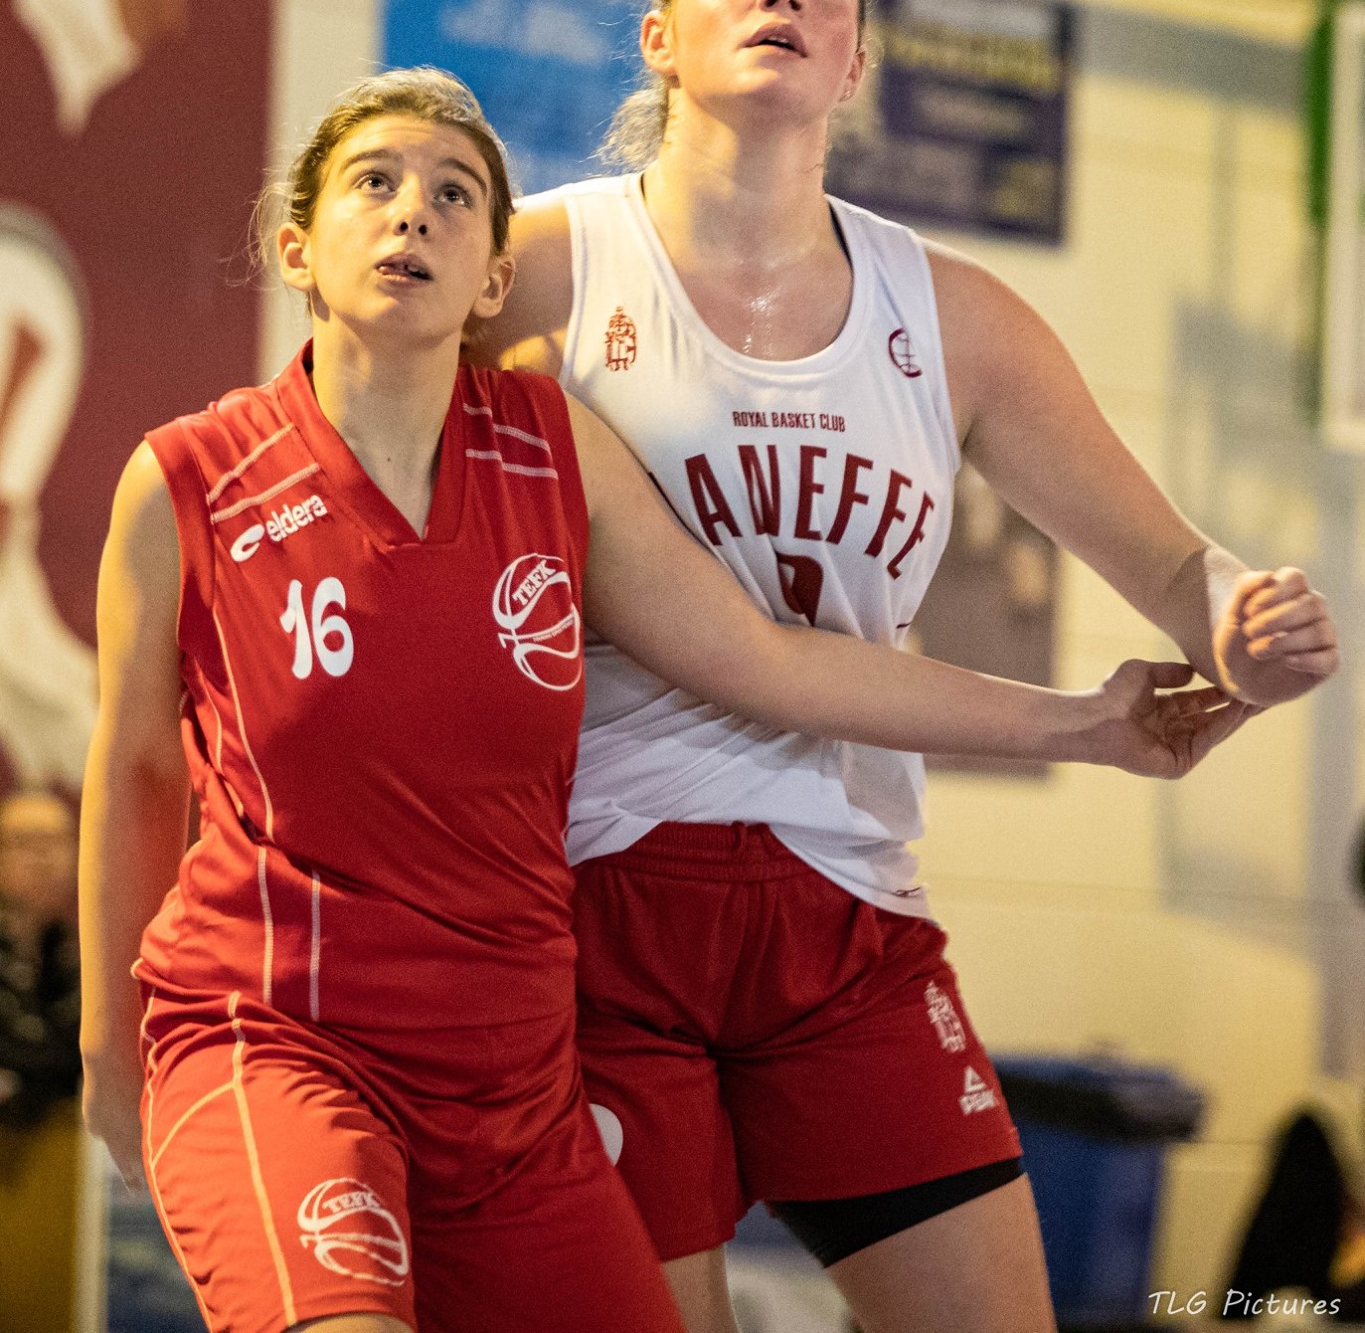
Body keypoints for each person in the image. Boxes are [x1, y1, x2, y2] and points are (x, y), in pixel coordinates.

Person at [77, 68, 1238, 1333]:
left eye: (455, 194)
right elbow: (136, 770)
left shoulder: (550, 447)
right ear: (298, 247)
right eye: (375, 182)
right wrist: (108, 1043)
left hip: (509, 1077)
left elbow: (771, 659)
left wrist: (1090, 723)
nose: (414, 211)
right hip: (282, 1037)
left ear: (494, 279)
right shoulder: (190, 479)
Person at [479, 0, 1340, 1333]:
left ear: (858, 55)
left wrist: (1247, 631)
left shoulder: (953, 315)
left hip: (846, 898)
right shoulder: (537, 267)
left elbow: (1177, 568)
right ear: (659, 33)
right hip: (595, 892)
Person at [0, 787, 83, 1333]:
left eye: (57, 842)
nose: (44, 857)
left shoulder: (82, 954)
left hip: (66, 1192)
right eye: (26, 843)